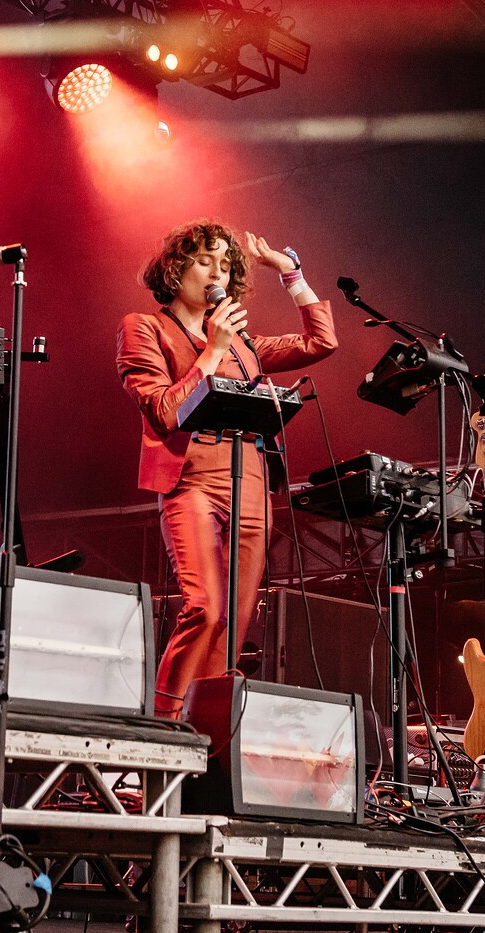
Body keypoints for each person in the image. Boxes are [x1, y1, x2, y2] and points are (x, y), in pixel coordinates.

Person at [117, 222, 339, 719]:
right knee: (206, 607)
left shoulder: (245, 344)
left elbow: (320, 341)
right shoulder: (145, 328)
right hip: (193, 479)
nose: (217, 272)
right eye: (204, 261)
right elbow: (163, 412)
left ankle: (207, 731)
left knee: (235, 621)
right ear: (175, 271)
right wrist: (212, 350)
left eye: (225, 264)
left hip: (251, 481)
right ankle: (163, 725)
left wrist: (291, 275)